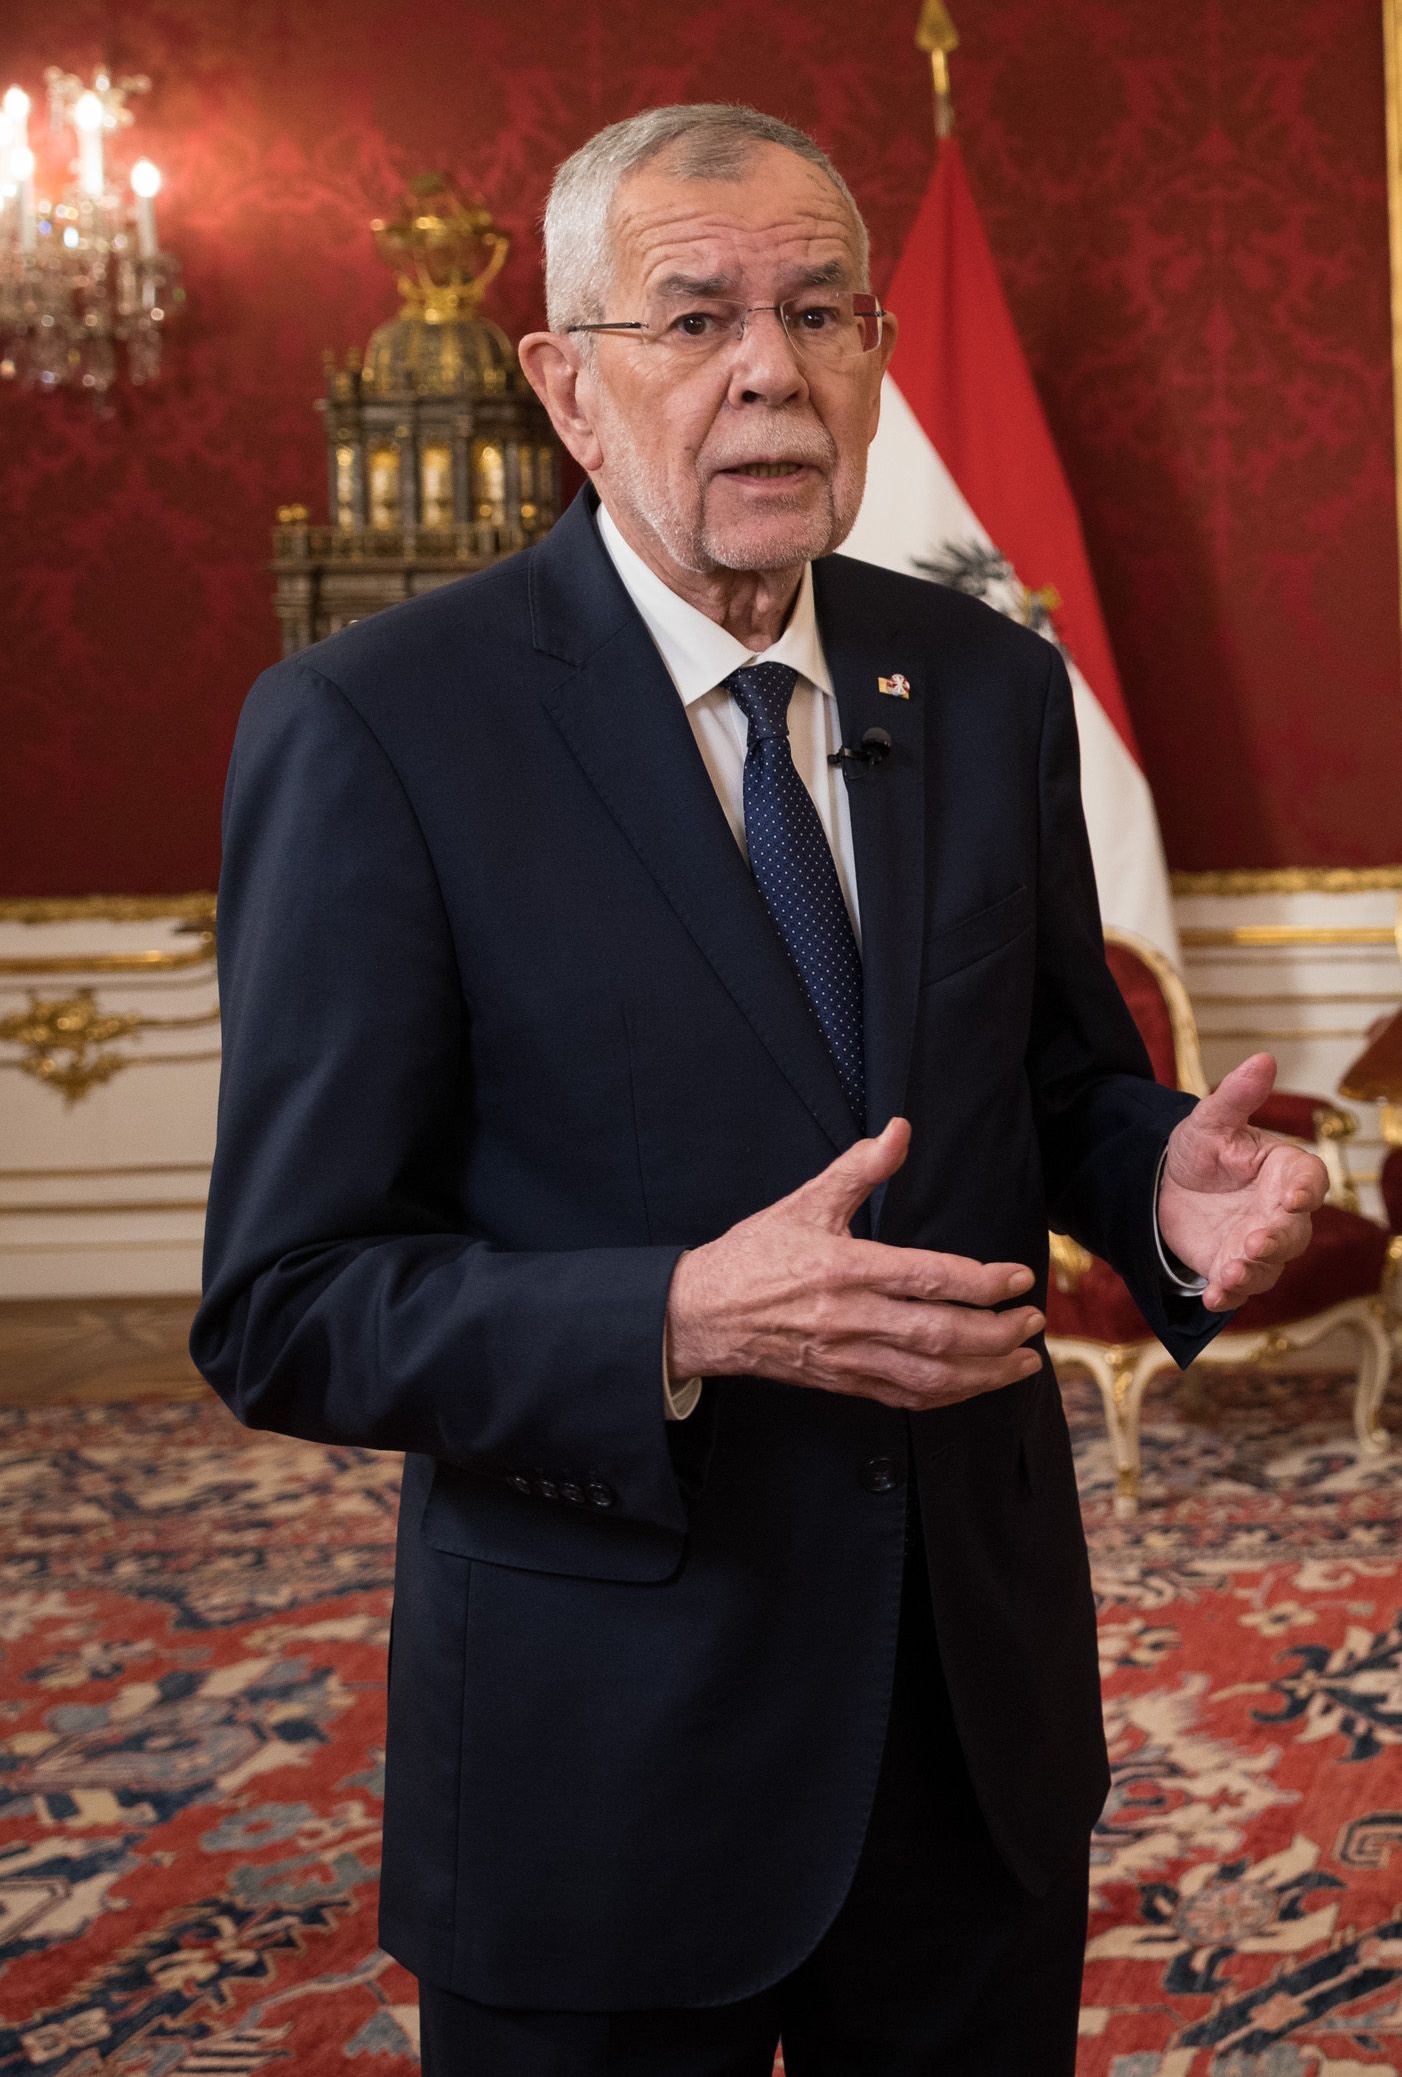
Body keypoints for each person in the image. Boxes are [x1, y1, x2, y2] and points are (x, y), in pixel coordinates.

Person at [195, 103, 1327, 2076]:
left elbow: (1056, 1084)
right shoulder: (377, 727)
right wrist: (675, 1316)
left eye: (821, 311)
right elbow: (287, 1300)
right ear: (566, 382)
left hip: (968, 1720)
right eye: (697, 316)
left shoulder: (983, 683)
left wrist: (1161, 1188)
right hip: (610, 1741)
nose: (768, 369)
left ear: (880, 357)